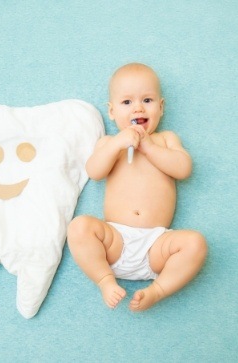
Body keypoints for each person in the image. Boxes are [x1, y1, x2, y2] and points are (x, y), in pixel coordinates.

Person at [67, 63, 207, 311]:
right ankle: (104, 280)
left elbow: (183, 169)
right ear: (111, 112)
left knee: (195, 244)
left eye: (147, 100)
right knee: (79, 227)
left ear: (161, 107)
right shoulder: (110, 143)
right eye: (127, 102)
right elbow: (94, 172)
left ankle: (157, 290)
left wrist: (149, 147)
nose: (138, 107)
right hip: (115, 240)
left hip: (157, 246)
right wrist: (116, 145)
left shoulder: (165, 140)